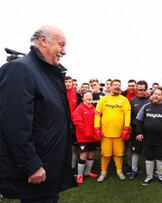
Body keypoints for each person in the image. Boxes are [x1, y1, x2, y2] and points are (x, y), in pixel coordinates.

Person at [0, 25, 76, 202]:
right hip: (37, 168)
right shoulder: (20, 69)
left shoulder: (47, 73)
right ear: (43, 40)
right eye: (61, 45)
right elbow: (14, 124)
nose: (64, 51)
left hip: (50, 165)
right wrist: (31, 165)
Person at [136, 87, 162, 186]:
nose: (156, 96)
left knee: (160, 158)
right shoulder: (146, 107)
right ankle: (149, 177)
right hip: (147, 138)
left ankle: (161, 176)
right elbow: (138, 121)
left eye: (159, 94)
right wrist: (139, 132)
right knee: (149, 158)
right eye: (155, 93)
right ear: (152, 95)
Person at [95, 79, 131, 182]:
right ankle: (103, 172)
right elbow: (97, 114)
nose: (117, 86)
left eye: (118, 85)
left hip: (119, 134)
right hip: (105, 133)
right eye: (114, 85)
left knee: (119, 154)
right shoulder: (103, 99)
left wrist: (126, 128)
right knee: (105, 154)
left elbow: (127, 115)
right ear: (110, 86)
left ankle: (119, 171)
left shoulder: (124, 100)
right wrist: (96, 127)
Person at [72, 92, 101, 184]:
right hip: (83, 138)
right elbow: (77, 122)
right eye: (87, 96)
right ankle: (80, 176)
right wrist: (87, 132)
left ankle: (88, 172)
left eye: (91, 96)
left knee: (91, 154)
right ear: (83, 98)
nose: (89, 97)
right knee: (83, 155)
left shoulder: (94, 108)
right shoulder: (79, 108)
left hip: (93, 137)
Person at [128, 80, 150, 180]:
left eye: (143, 90)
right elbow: (129, 115)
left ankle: (150, 172)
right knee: (135, 151)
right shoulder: (132, 100)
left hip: (149, 130)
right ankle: (134, 170)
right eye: (139, 90)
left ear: (146, 89)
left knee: (149, 151)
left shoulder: (151, 100)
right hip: (136, 130)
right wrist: (129, 125)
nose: (141, 92)